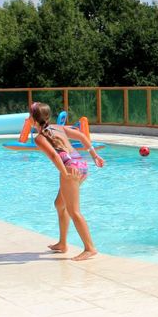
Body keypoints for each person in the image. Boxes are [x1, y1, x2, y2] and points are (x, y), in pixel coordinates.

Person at [29, 102, 105, 260]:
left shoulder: (40, 138)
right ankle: (62, 243)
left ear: (33, 120)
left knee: (74, 211)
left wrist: (65, 173)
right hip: (82, 165)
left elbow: (54, 156)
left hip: (70, 169)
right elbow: (82, 136)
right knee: (59, 204)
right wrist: (94, 155)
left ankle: (90, 248)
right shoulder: (58, 128)